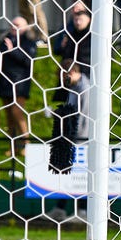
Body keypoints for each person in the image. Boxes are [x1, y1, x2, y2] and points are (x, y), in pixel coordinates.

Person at [0, 17, 39, 164]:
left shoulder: (29, 42)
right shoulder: (6, 39)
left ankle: (26, 143)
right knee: (9, 116)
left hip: (20, 82)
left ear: (25, 27)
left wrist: (12, 50)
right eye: (12, 24)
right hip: (5, 82)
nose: (13, 26)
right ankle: (13, 146)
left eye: (17, 24)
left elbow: (27, 60)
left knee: (17, 112)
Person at [47, 59, 92, 223]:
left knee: (80, 175)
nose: (61, 80)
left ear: (71, 72)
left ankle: (83, 211)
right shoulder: (74, 87)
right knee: (69, 175)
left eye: (63, 75)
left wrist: (77, 138)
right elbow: (72, 112)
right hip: (71, 137)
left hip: (81, 140)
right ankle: (60, 209)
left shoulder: (85, 89)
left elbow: (85, 117)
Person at [54, 7, 93, 76]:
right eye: (76, 20)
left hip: (87, 74)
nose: (78, 22)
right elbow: (57, 51)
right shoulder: (69, 35)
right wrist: (62, 46)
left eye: (81, 20)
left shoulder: (93, 37)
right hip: (69, 74)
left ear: (88, 20)